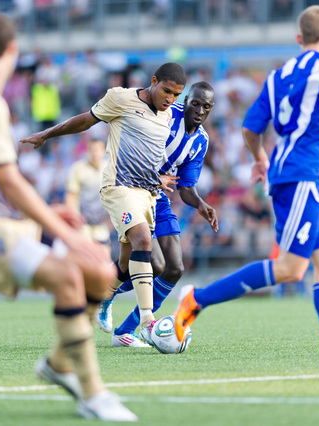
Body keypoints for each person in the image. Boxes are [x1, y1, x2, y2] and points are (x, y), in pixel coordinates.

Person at [0, 13, 136, 421]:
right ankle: (94, 394)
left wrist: (49, 211)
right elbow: (6, 181)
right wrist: (61, 228)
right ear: (12, 50)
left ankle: (59, 364)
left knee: (99, 273)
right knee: (67, 276)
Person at [174, 5, 319, 380]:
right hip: (301, 176)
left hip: (304, 178)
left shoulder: (279, 75)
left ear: (298, 39)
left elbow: (250, 127)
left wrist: (259, 158)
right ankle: (196, 300)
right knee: (292, 269)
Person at [21, 62, 187, 345]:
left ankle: (99, 299)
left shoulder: (168, 115)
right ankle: (147, 322)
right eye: (167, 91)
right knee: (143, 242)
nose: (170, 99)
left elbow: (148, 153)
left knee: (125, 264)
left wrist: (156, 178)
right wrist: (47, 134)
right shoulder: (121, 98)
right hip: (118, 188)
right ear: (154, 81)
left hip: (146, 194)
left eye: (176, 95)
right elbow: (86, 120)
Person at [94, 82, 219, 348]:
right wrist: (153, 175)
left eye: (205, 107)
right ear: (186, 100)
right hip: (135, 189)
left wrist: (199, 204)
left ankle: (124, 329)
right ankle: (108, 297)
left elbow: (185, 187)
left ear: (210, 110)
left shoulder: (201, 141)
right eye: (194, 103)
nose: (198, 110)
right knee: (153, 265)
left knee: (174, 268)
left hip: (161, 200)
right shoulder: (164, 114)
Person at [64, 139, 111, 250]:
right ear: (87, 151)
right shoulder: (78, 168)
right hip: (83, 224)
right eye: (92, 150)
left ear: (104, 151)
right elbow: (71, 196)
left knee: (105, 258)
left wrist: (111, 221)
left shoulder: (109, 168)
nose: (95, 153)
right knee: (86, 256)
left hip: (101, 223)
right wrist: (73, 220)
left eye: (98, 150)